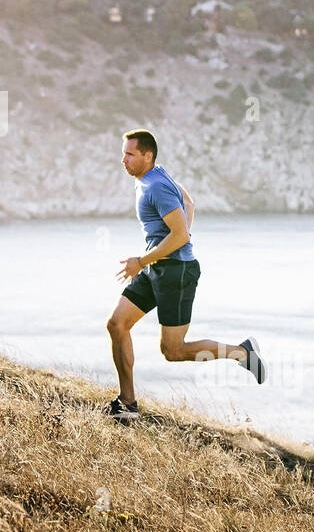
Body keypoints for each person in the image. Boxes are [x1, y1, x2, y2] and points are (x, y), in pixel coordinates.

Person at [104, 128, 266, 422]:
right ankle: (128, 404)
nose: (123, 160)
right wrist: (164, 249)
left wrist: (141, 260)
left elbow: (178, 236)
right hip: (158, 267)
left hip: (175, 273)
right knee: (117, 324)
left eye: (129, 154)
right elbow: (189, 204)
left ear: (147, 155)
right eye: (123, 153)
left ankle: (242, 353)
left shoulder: (156, 187)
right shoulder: (151, 178)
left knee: (173, 350)